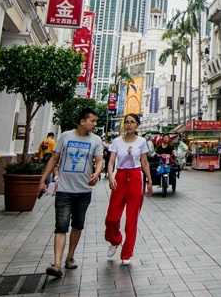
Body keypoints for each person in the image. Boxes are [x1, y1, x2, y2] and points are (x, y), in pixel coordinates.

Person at [39, 107, 105, 278]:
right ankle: (57, 263)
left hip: (83, 190)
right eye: (93, 120)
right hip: (64, 190)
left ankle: (70, 256)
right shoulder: (66, 136)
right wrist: (42, 180)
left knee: (77, 225)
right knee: (60, 225)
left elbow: (99, 160)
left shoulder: (96, 140)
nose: (95, 124)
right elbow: (54, 158)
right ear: (82, 121)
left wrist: (97, 173)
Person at [104, 113, 153, 266]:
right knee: (111, 217)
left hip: (135, 178)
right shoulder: (117, 142)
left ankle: (127, 253)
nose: (129, 125)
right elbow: (111, 162)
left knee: (131, 219)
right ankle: (115, 239)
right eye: (127, 122)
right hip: (119, 177)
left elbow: (144, 163)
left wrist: (150, 182)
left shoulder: (142, 142)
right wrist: (111, 176)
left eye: (132, 122)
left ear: (137, 125)